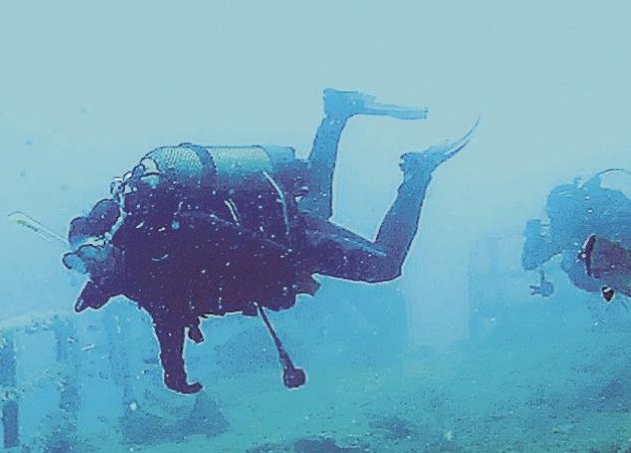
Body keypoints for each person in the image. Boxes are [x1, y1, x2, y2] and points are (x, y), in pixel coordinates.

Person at [63, 89, 473, 393]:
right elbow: (167, 317)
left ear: (108, 242)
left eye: (92, 260)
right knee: (317, 199)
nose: (94, 270)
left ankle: (417, 171)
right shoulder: (139, 271)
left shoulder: (163, 241)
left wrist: (291, 268)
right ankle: (337, 114)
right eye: (86, 266)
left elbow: (229, 238)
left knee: (384, 266)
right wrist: (173, 370)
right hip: (278, 224)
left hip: (290, 239)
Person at [522, 169, 631, 294]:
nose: (556, 223)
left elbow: (531, 261)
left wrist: (532, 236)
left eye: (555, 217)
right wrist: (532, 237)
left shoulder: (573, 227)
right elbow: (530, 262)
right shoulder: (570, 229)